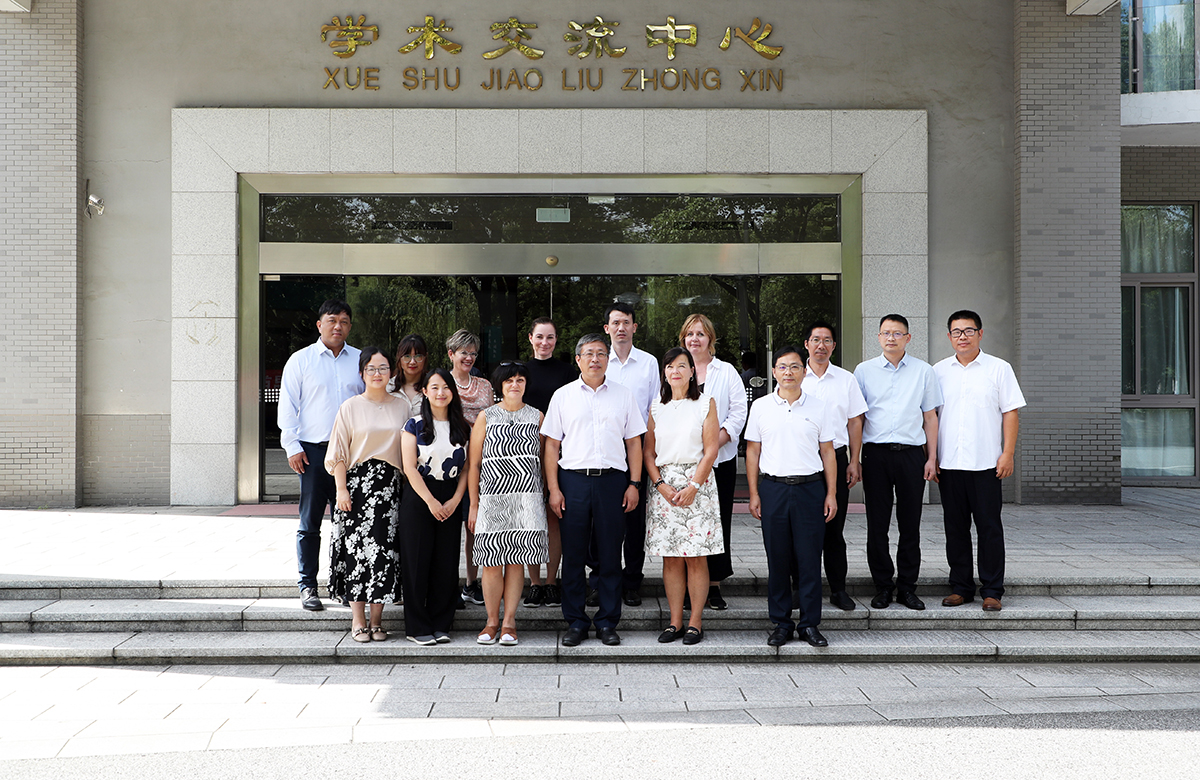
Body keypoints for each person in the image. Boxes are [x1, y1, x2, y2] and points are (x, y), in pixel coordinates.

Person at [542, 334, 646, 647]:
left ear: (607, 359)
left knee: (611, 554)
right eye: (589, 354)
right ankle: (575, 621)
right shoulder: (563, 395)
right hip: (572, 480)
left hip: (613, 481)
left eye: (601, 353)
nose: (595, 359)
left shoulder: (623, 395)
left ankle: (607, 622)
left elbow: (634, 443)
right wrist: (554, 489)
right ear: (578, 359)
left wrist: (635, 483)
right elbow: (551, 447)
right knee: (572, 555)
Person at [746, 345, 838, 648]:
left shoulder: (819, 406)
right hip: (773, 489)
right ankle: (781, 623)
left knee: (810, 558)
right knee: (778, 559)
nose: (788, 372)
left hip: (810, 489)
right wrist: (754, 492)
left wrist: (832, 493)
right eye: (782, 367)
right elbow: (753, 451)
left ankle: (810, 623)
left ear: (803, 371)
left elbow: (828, 451)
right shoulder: (760, 407)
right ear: (774, 372)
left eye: (795, 367)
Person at [934, 310, 1026, 612]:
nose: (962, 336)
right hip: (949, 464)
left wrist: (1008, 453)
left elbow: (1010, 411)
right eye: (956, 331)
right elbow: (931, 418)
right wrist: (931, 457)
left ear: (980, 334)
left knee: (989, 527)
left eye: (968, 330)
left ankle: (992, 590)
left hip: (987, 464)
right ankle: (961, 587)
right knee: (955, 528)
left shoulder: (999, 369)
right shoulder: (938, 371)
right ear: (948, 337)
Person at [278, 299, 364, 612]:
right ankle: (308, 585)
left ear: (350, 326)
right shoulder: (301, 361)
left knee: (351, 523)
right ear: (319, 324)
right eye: (331, 320)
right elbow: (288, 406)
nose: (337, 326)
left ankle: (346, 586)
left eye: (343, 321)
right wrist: (292, 446)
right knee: (310, 521)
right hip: (313, 451)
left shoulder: (360, 360)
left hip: (354, 454)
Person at [853, 314, 943, 611]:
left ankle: (907, 587)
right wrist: (856, 459)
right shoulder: (864, 371)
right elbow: (858, 419)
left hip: (910, 456)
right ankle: (882, 586)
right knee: (876, 525)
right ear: (878, 337)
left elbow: (930, 417)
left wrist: (932, 458)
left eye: (897, 333)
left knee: (910, 525)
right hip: (876, 455)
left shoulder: (924, 371)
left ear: (908, 337)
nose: (891, 338)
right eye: (885, 333)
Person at [324, 347, 410, 642]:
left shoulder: (402, 406)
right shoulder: (350, 407)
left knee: (385, 554)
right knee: (356, 554)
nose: (377, 374)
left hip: (390, 489)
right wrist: (341, 490)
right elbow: (337, 453)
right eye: (372, 369)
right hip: (357, 488)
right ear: (362, 373)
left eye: (383, 368)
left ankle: (377, 620)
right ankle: (357, 620)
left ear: (392, 372)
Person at [644, 348, 722, 645]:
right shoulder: (656, 407)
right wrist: (660, 484)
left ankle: (695, 622)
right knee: (672, 559)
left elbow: (711, 449)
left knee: (696, 558)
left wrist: (694, 486)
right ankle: (674, 621)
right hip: (664, 485)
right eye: (670, 366)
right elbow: (649, 452)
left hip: (697, 485)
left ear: (692, 371)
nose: (675, 371)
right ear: (664, 373)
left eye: (682, 366)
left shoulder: (705, 404)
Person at [467, 361, 548, 646]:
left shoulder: (537, 416)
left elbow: (543, 459)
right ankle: (491, 622)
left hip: (526, 499)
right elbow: (474, 464)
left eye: (520, 380)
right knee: (491, 563)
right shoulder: (486, 417)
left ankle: (509, 622)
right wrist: (474, 504)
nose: (515, 385)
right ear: (500, 386)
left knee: (517, 563)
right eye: (509, 380)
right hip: (492, 499)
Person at [679, 313, 747, 610]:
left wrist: (712, 445)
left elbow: (738, 413)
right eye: (690, 334)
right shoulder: (676, 368)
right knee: (686, 523)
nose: (695, 339)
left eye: (701, 334)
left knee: (718, 522)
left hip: (719, 461)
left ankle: (714, 585)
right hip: (682, 463)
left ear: (711, 339)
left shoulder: (726, 371)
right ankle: (685, 586)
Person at [800, 321, 869, 611]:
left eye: (827, 340)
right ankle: (800, 589)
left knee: (833, 528)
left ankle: (838, 589)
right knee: (801, 530)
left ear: (834, 346)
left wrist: (854, 460)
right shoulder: (793, 375)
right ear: (806, 344)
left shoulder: (845, 379)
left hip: (837, 459)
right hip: (801, 461)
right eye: (815, 339)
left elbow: (855, 421)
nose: (821, 345)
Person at [399, 368, 470, 645]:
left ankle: (442, 623)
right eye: (435, 387)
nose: (441, 393)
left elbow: (466, 469)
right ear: (425, 392)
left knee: (446, 562)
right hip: (419, 497)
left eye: (446, 387)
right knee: (417, 561)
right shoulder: (413, 425)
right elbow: (408, 467)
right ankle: (417, 627)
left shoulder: (464, 427)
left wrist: (454, 501)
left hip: (451, 495)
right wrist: (430, 501)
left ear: (453, 391)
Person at [601, 302, 660, 607]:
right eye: (616, 323)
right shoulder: (598, 360)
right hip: (605, 451)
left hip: (638, 449)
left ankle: (632, 581)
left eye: (626, 322)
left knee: (634, 521)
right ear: (607, 328)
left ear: (635, 327)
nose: (621, 327)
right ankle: (600, 578)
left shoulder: (649, 364)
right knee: (603, 521)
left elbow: (655, 409)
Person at [521, 317, 576, 610]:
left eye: (550, 337)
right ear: (530, 338)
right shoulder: (520, 372)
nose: (545, 343)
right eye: (540, 337)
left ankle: (552, 582)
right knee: (531, 520)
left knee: (554, 518)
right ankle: (535, 583)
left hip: (559, 452)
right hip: (525, 453)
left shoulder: (568, 372)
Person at [446, 329, 495, 608]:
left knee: (475, 525)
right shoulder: (442, 382)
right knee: (452, 525)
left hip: (483, 462)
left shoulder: (485, 385)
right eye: (463, 352)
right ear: (451, 354)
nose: (469, 357)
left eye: (473, 352)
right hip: (452, 460)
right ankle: (448, 583)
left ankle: (471, 583)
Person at [389, 334, 429, 417]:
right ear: (399, 359)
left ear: (425, 358)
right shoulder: (388, 387)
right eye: (407, 357)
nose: (412, 362)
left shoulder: (432, 387)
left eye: (418, 356)